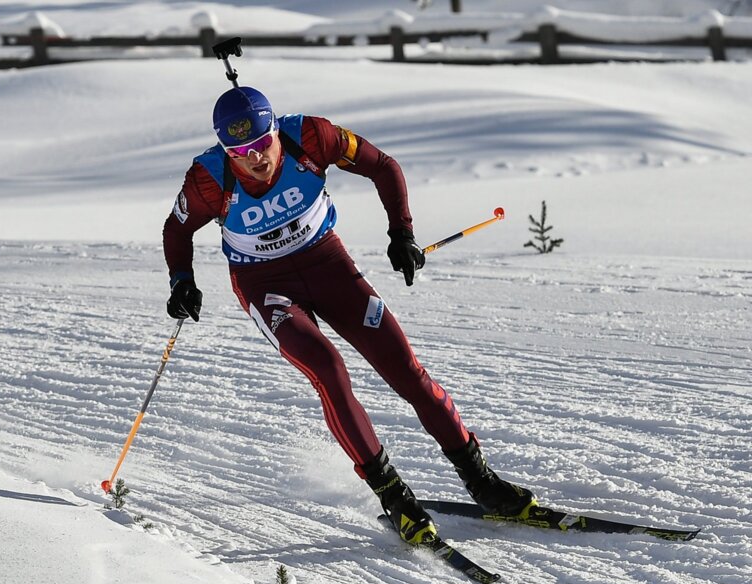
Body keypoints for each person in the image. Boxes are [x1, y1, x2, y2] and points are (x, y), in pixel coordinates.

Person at [162, 86, 536, 545]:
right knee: (329, 371)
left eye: (262, 144)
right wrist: (182, 280)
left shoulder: (313, 137)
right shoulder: (207, 179)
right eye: (241, 152)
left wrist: (402, 233)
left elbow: (384, 166)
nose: (255, 158)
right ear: (225, 150)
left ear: (275, 128)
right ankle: (394, 497)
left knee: (406, 371)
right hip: (267, 287)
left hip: (330, 267)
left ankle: (483, 483)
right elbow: (176, 228)